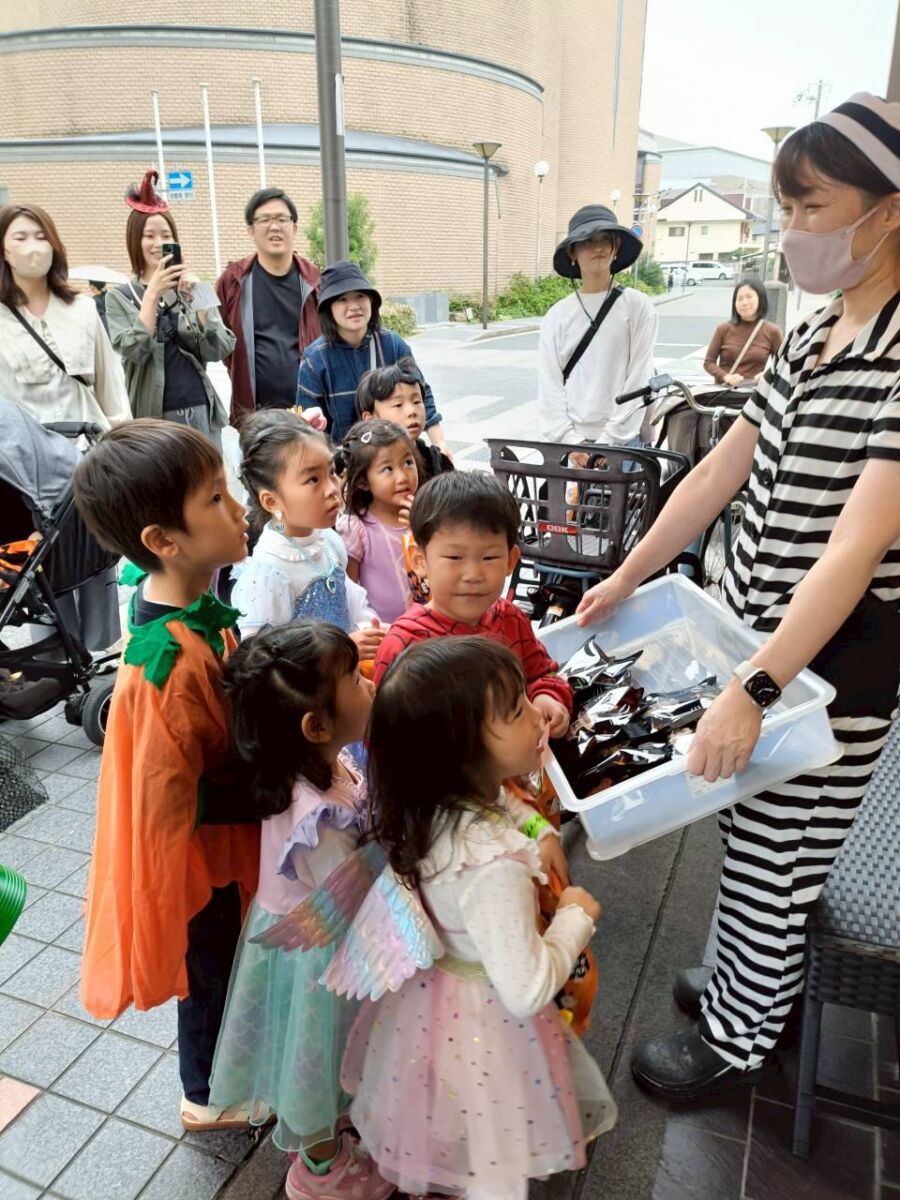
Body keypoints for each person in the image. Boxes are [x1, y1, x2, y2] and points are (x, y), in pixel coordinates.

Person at [576, 92, 900, 1102]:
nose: (796, 231)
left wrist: (756, 689)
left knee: (781, 852)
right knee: (751, 830)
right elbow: (721, 468)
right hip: (757, 633)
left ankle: (739, 1040)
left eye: (815, 208)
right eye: (788, 209)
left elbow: (856, 548)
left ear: (889, 210)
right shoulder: (814, 332)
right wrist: (628, 572)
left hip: (831, 662)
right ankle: (748, 988)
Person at [338, 637, 617, 1198]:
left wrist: (536, 828)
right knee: (493, 1145)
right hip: (488, 1022)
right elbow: (527, 987)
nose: (535, 716)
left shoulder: (427, 803)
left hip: (431, 1003)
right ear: (461, 749)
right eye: (515, 711)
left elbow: (502, 803)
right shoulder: (492, 865)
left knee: (448, 1118)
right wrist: (573, 916)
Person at [72, 420, 261, 1130]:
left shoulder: (193, 610)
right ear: (163, 540)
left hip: (220, 845)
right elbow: (165, 797)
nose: (239, 508)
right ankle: (204, 1096)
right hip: (199, 864)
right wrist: (274, 777)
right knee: (210, 970)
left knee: (226, 963)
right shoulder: (168, 664)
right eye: (216, 499)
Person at [207, 620, 393, 1199]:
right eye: (355, 681)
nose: (369, 684)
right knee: (312, 1066)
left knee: (322, 1060)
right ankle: (321, 1172)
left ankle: (330, 1140)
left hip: (321, 944)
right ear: (316, 726)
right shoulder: (316, 816)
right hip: (317, 960)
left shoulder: (321, 766)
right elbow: (352, 890)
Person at [373, 471, 572, 739]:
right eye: (455, 557)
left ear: (511, 560)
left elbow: (542, 673)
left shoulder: (511, 619)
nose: (473, 574)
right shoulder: (405, 645)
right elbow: (387, 738)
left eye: (489, 557)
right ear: (419, 560)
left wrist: (546, 697)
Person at [232, 409, 384, 660]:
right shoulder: (267, 575)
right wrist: (342, 651)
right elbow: (263, 664)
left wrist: (371, 629)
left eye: (331, 472)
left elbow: (353, 605)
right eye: (313, 480)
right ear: (271, 500)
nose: (332, 489)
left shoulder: (328, 540)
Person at [105, 170, 233, 449]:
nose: (158, 243)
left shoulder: (192, 288)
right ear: (135, 240)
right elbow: (133, 350)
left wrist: (200, 300)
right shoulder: (119, 297)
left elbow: (219, 349)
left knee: (207, 476)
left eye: (166, 235)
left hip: (200, 409)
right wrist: (152, 294)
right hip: (152, 418)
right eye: (149, 235)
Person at [537, 204, 658, 460]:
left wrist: (609, 442)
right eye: (588, 241)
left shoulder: (637, 306)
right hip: (573, 444)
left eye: (605, 239)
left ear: (616, 247)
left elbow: (639, 378)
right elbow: (549, 384)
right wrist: (571, 442)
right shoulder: (557, 315)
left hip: (624, 442)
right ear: (572, 251)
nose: (598, 247)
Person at [0, 203, 130, 429]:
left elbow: (111, 388)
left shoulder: (83, 309)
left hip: (87, 443)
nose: (33, 247)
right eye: (20, 238)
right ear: (3, 250)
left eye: (41, 237)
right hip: (25, 447)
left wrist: (122, 437)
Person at [296, 260, 450, 448]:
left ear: (371, 301)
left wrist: (440, 443)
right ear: (329, 308)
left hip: (394, 450)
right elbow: (308, 426)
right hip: (343, 457)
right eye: (342, 299)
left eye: (360, 296)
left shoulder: (393, 344)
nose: (354, 306)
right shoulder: (315, 358)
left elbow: (421, 394)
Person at [215, 188, 321, 422]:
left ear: (294, 228)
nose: (274, 227)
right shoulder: (232, 281)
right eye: (264, 219)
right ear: (251, 230)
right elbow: (220, 341)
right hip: (254, 416)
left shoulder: (315, 282)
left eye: (282, 219)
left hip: (310, 413)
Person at [336, 419, 420, 624]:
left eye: (408, 463)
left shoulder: (427, 515)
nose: (403, 476)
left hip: (429, 625)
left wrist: (421, 527)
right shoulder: (357, 528)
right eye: (388, 469)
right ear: (363, 481)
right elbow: (349, 589)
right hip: (383, 631)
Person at [355, 356, 454, 481]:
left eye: (417, 401)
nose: (412, 411)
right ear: (370, 419)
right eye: (398, 405)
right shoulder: (363, 472)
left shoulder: (438, 463)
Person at [703, 279, 783, 386]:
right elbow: (708, 363)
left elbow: (783, 365)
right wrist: (726, 377)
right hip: (725, 391)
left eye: (749, 297)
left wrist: (767, 375)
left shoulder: (772, 331)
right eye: (739, 298)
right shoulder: (723, 329)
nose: (744, 303)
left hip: (754, 392)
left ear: (760, 298)